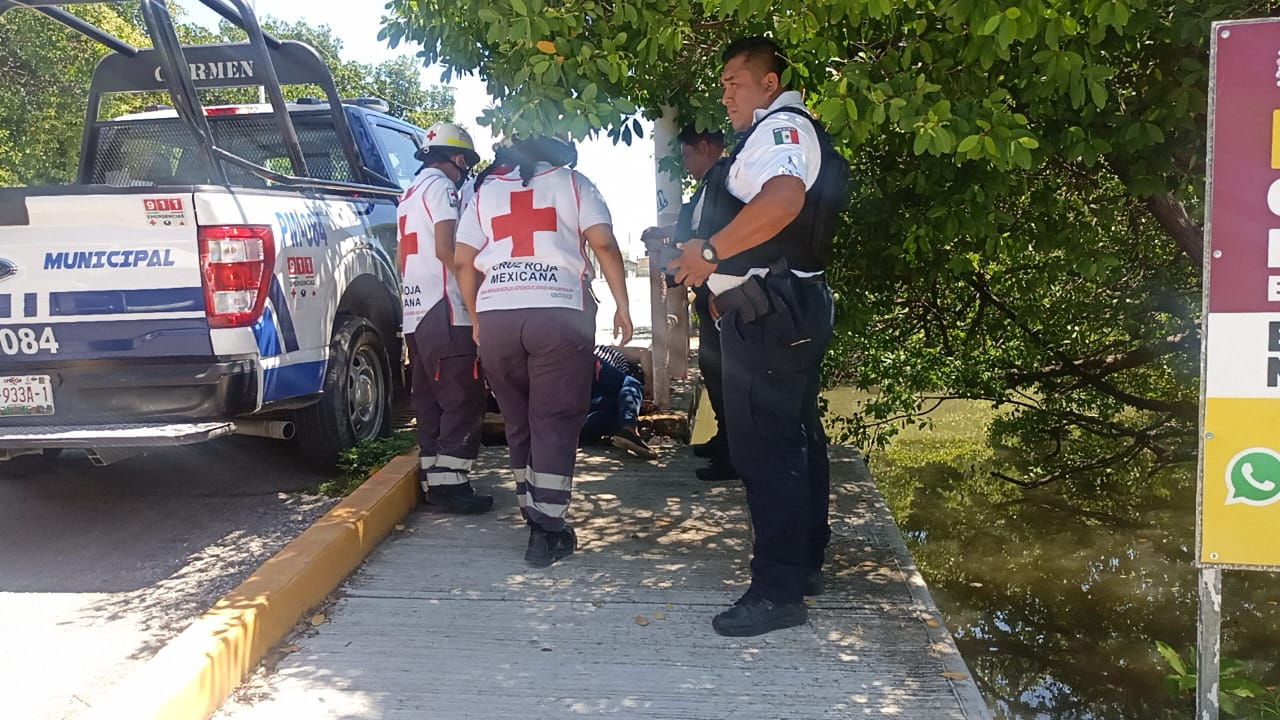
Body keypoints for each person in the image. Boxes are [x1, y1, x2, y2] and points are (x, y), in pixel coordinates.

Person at [668, 36, 844, 637]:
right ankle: (803, 564)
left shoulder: (780, 130)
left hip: (769, 314)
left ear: (769, 84)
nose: (725, 95)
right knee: (794, 440)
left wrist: (712, 252)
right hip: (785, 310)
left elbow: (785, 198)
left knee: (766, 452)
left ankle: (777, 591)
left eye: (733, 83)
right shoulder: (778, 132)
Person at [455, 134, 634, 567]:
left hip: (498, 318)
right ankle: (547, 530)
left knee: (519, 422)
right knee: (554, 421)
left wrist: (477, 321)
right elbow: (605, 244)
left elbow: (462, 261)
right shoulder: (575, 184)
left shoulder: (485, 190)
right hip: (558, 316)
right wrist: (623, 307)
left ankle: (532, 512)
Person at [397, 122, 494, 514]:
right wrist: (474, 301)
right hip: (445, 308)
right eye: (465, 166)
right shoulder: (441, 188)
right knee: (463, 397)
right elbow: (446, 248)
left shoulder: (409, 191)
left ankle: (433, 479)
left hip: (416, 313)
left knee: (429, 400)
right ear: (457, 159)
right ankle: (451, 484)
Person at [643, 126, 736, 482]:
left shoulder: (728, 180)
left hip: (724, 292)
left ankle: (735, 453)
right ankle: (725, 437)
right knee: (714, 370)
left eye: (686, 154)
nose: (685, 163)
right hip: (708, 291)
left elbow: (720, 236)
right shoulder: (708, 185)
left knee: (728, 374)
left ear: (704, 147)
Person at [580, 345, 657, 460]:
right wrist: (649, 383)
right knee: (632, 384)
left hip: (591, 398)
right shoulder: (610, 350)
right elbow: (644, 353)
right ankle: (629, 430)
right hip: (590, 371)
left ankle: (581, 432)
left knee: (614, 409)